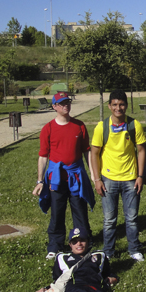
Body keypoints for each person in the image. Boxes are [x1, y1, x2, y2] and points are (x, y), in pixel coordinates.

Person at [34, 92, 94, 260]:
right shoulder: (48, 128)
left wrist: (93, 175)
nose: (65, 105)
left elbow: (86, 152)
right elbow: (43, 155)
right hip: (56, 179)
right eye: (61, 103)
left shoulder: (79, 126)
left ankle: (82, 243)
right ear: (54, 106)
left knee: (80, 212)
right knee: (57, 212)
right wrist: (40, 181)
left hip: (76, 178)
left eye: (67, 102)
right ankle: (55, 245)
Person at [90, 90, 146, 261]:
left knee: (132, 218)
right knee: (109, 220)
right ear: (109, 106)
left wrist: (140, 176)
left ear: (126, 106)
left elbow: (142, 150)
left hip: (130, 179)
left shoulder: (134, 125)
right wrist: (97, 179)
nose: (118, 108)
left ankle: (134, 249)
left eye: (121, 104)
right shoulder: (102, 127)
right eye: (114, 104)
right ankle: (108, 251)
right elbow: (94, 154)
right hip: (108, 180)